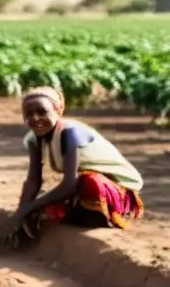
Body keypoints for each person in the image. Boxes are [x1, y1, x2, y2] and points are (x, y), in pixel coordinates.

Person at [8, 86, 144, 246]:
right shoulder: (33, 139)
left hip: (117, 192)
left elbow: (69, 186)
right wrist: (21, 211)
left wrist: (31, 207)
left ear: (58, 111)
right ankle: (77, 216)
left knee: (89, 181)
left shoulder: (70, 133)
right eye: (29, 114)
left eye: (42, 112)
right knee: (39, 209)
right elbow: (33, 180)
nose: (36, 118)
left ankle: (100, 217)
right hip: (81, 188)